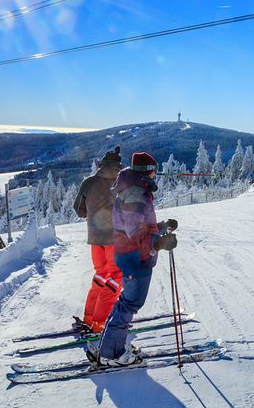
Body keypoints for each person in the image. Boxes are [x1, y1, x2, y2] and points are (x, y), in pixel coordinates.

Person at [88, 152, 178, 368]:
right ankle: (111, 353)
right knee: (130, 303)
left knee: (125, 302)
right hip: (135, 257)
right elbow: (134, 231)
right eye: (154, 169)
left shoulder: (134, 189)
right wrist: (158, 243)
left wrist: (162, 226)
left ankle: (108, 344)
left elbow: (138, 224)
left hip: (130, 254)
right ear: (147, 170)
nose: (156, 173)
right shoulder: (137, 193)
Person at [73, 146, 123, 333]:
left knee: (101, 275)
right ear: (119, 166)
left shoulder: (88, 183)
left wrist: (93, 213)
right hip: (116, 240)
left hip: (95, 239)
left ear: (102, 165)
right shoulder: (122, 183)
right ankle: (100, 323)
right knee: (115, 279)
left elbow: (79, 210)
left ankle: (90, 317)